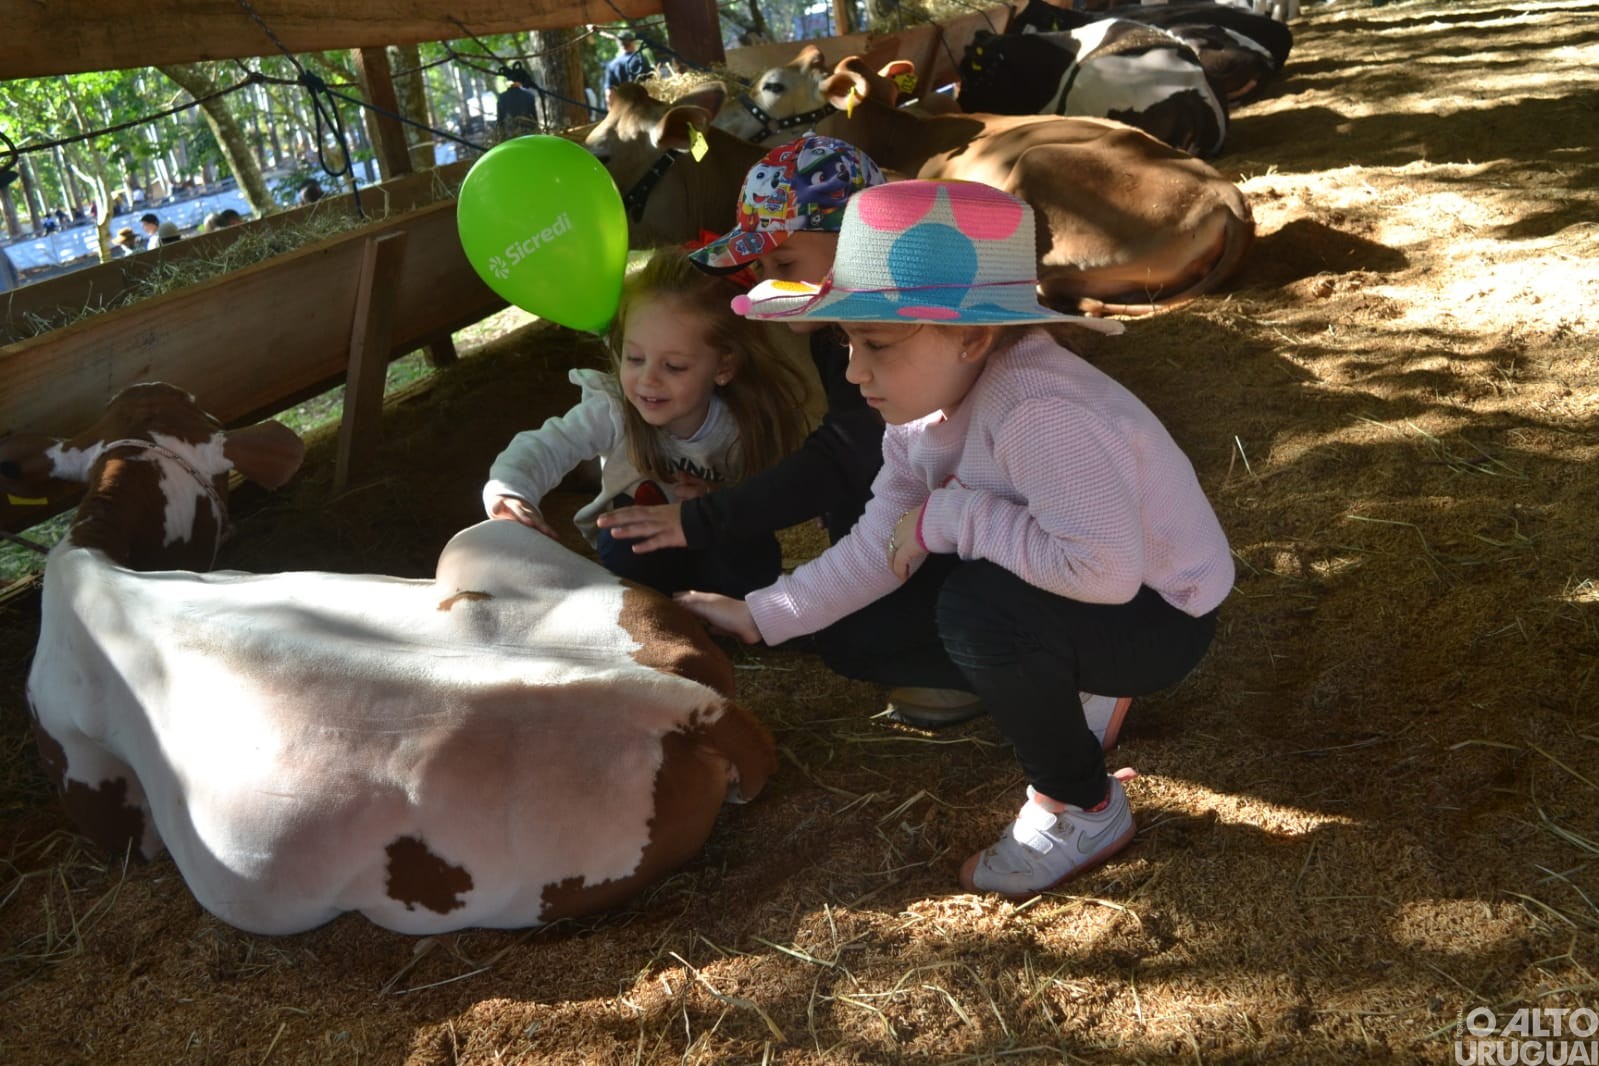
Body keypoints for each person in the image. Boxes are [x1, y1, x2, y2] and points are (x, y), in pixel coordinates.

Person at [674, 179, 1233, 899]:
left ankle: (1080, 804)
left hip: (1159, 614)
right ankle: (1073, 685)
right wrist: (763, 613)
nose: (852, 369)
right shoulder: (919, 414)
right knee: (855, 635)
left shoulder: (1036, 409)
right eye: (846, 340)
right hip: (1073, 581)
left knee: (979, 609)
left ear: (971, 336)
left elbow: (1103, 572)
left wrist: (951, 519)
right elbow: (885, 534)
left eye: (875, 342)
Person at [600, 134, 1119, 730]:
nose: (769, 284)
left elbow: (848, 454)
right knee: (846, 616)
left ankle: (1062, 677)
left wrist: (705, 521)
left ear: (856, 242)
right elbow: (876, 470)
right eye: (762, 269)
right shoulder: (846, 334)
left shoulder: (901, 336)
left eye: (785, 264)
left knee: (851, 636)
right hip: (966, 535)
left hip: (1024, 558)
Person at [482, 247, 811, 597]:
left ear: (723, 367)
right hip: (642, 554)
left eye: (674, 366)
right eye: (635, 358)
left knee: (754, 554)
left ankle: (718, 610)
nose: (648, 380)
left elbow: (769, 496)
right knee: (621, 538)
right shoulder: (613, 409)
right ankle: (661, 609)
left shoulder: (744, 421)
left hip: (712, 542)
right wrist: (510, 491)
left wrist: (715, 502)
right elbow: (546, 446)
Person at [602, 30, 652, 96]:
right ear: (632, 42)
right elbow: (651, 82)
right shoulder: (641, 60)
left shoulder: (612, 65)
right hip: (641, 103)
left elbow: (609, 93)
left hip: (622, 104)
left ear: (619, 44)